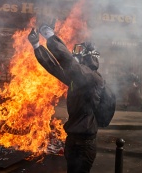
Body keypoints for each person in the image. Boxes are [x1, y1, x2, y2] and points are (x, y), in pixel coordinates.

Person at [27, 21, 104, 173]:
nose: (76, 56)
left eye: (80, 54)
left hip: (84, 144)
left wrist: (49, 35)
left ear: (88, 58)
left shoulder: (92, 78)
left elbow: (67, 61)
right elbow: (54, 67)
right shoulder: (77, 78)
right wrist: (36, 46)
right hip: (73, 140)